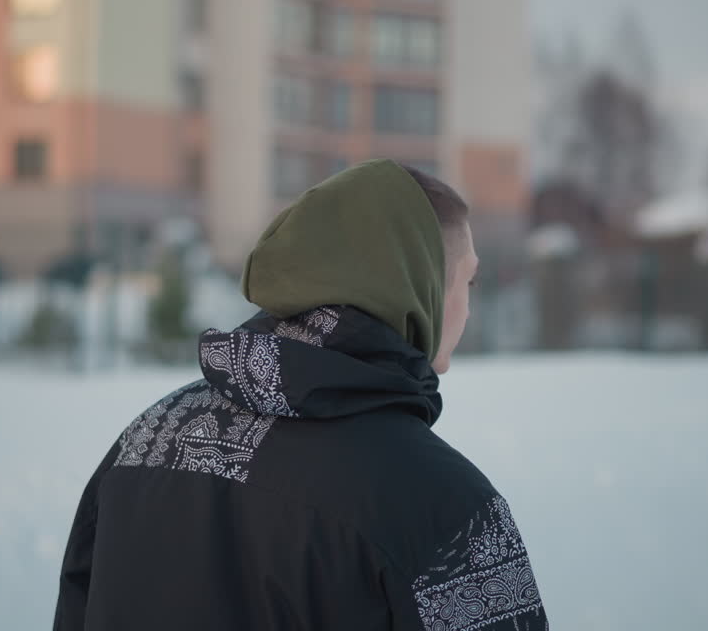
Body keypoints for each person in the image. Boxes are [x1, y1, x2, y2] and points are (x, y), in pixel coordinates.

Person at [53, 159, 549, 630]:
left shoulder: (146, 441)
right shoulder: (445, 505)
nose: (469, 308)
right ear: (422, 288)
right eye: (469, 280)